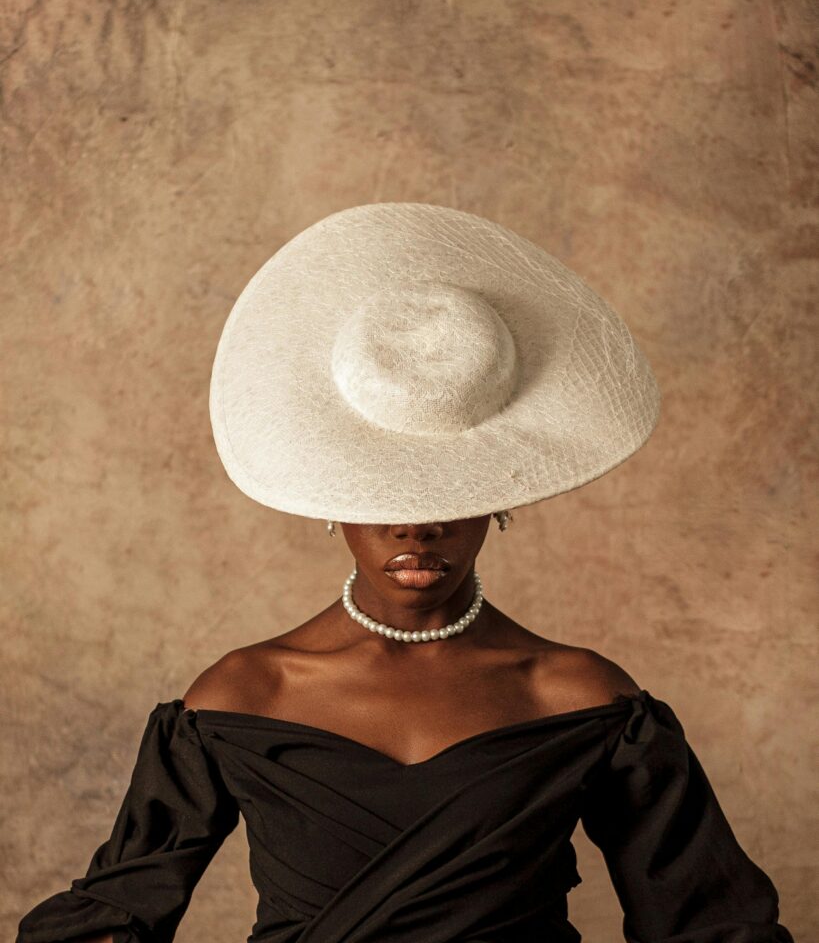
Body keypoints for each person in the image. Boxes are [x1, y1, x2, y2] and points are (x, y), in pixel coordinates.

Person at [16, 203, 793, 943]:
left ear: (500, 502)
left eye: (449, 493)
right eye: (380, 490)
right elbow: (112, 916)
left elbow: (707, 923)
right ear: (328, 500)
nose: (413, 524)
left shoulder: (584, 701)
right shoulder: (241, 696)